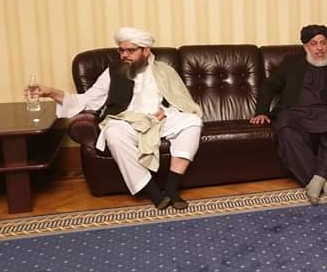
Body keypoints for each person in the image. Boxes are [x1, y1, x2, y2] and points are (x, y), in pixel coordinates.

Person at [26, 27, 203, 209]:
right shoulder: (113, 72)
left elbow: (181, 101)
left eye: (131, 50)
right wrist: (51, 92)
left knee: (192, 122)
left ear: (146, 50)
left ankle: (171, 189)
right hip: (127, 122)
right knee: (113, 133)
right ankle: (153, 192)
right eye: (121, 50)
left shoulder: (165, 71)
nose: (124, 55)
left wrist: (166, 112)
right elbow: (87, 100)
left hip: (160, 121)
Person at [250, 25, 327, 204]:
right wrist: (261, 111)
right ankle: (326, 180)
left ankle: (316, 181)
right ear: (305, 46)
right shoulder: (291, 64)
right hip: (295, 112)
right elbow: (269, 85)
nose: (320, 48)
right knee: (286, 130)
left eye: (323, 43)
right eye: (314, 44)